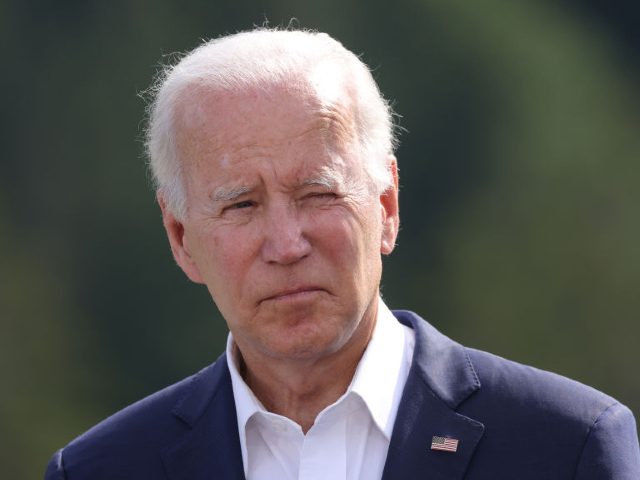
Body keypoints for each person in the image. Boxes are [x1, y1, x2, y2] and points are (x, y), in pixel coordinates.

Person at [45, 28, 640, 480]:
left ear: (386, 206)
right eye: (241, 206)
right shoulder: (102, 468)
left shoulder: (568, 447)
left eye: (318, 194)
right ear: (181, 238)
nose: (286, 244)